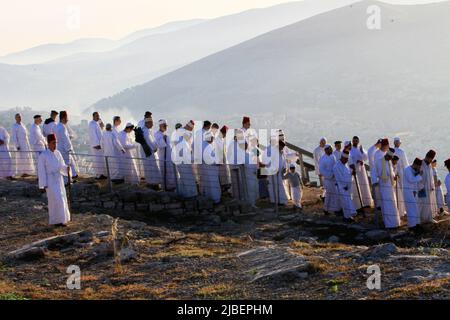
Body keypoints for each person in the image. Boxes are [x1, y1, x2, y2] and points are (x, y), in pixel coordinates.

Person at [37, 134, 71, 227]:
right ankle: (56, 220)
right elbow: (41, 170)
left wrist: (66, 169)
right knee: (56, 200)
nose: (54, 145)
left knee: (62, 198)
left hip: (58, 179)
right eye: (53, 143)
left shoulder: (58, 153)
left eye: (55, 143)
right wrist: (43, 184)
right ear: (48, 143)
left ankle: (62, 220)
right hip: (50, 180)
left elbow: (62, 165)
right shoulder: (43, 155)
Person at [374, 148, 401, 229]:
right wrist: (377, 180)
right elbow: (375, 172)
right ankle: (389, 224)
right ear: (387, 155)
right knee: (386, 205)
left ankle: (395, 222)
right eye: (389, 157)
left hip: (390, 187)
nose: (390, 159)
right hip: (384, 187)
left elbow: (391, 172)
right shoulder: (379, 161)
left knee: (393, 204)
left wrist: (394, 176)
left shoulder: (389, 162)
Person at [172, 120, 197, 197]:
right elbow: (183, 153)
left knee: (183, 179)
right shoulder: (181, 139)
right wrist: (194, 158)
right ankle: (190, 195)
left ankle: (182, 194)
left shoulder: (182, 137)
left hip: (183, 162)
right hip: (183, 162)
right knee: (188, 180)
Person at [349, 136, 373, 210]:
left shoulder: (360, 148)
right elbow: (350, 159)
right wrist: (356, 162)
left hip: (362, 170)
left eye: (357, 140)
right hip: (355, 169)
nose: (355, 142)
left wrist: (362, 152)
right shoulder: (351, 149)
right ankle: (359, 203)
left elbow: (365, 158)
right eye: (354, 140)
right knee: (357, 186)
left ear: (358, 141)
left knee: (364, 185)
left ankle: (366, 202)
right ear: (352, 141)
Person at [333, 151, 356, 222]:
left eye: (347, 159)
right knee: (345, 202)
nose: (346, 161)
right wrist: (344, 186)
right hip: (342, 187)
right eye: (345, 159)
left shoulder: (345, 164)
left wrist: (352, 173)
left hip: (348, 187)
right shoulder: (336, 166)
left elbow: (347, 174)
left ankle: (349, 216)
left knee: (348, 201)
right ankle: (346, 217)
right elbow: (339, 178)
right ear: (342, 157)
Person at [319, 144, 342, 215]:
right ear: (326, 150)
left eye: (331, 149)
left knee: (335, 194)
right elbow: (322, 170)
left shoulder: (333, 156)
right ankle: (330, 209)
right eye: (330, 149)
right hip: (328, 179)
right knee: (330, 194)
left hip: (334, 178)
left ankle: (333, 209)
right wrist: (330, 175)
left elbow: (335, 166)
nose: (332, 150)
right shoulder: (322, 159)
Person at [403, 158, 424, 233]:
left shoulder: (414, 170)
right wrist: (420, 176)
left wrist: (415, 190)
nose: (419, 168)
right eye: (418, 167)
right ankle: (412, 226)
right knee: (411, 209)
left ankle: (417, 223)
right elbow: (411, 180)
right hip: (408, 192)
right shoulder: (407, 170)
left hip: (413, 192)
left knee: (415, 209)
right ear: (415, 164)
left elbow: (415, 182)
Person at [155, 119, 177, 191]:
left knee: (170, 172)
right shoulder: (157, 134)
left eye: (166, 126)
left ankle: (171, 186)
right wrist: (163, 139)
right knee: (165, 173)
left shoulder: (165, 134)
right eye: (164, 126)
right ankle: (166, 188)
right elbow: (160, 145)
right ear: (160, 126)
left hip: (169, 157)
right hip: (163, 157)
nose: (166, 127)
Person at [418, 150, 439, 223]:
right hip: (422, 188)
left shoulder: (429, 164)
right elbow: (418, 176)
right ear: (427, 157)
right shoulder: (421, 164)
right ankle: (420, 219)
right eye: (430, 159)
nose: (431, 161)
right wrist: (420, 187)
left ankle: (429, 218)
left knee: (429, 203)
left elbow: (431, 176)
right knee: (421, 204)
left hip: (429, 187)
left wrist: (433, 185)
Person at [54, 111, 75, 184]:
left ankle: (65, 181)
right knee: (66, 165)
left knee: (61, 165)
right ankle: (67, 182)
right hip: (64, 149)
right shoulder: (63, 127)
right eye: (67, 118)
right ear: (64, 118)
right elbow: (66, 139)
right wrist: (69, 148)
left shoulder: (56, 126)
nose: (67, 120)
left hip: (59, 147)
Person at [200, 131, 221, 203]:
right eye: (212, 137)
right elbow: (208, 159)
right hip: (210, 170)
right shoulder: (206, 146)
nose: (213, 139)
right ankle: (215, 200)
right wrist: (217, 162)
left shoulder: (207, 145)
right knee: (213, 185)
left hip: (210, 170)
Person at [142, 117, 162, 188]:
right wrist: (154, 148)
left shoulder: (146, 130)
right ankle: (153, 183)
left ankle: (152, 182)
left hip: (147, 153)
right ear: (148, 123)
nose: (153, 125)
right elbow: (149, 141)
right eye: (152, 123)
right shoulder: (146, 131)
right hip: (149, 153)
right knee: (152, 168)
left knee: (150, 168)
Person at [88, 112, 107, 180]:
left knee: (101, 160)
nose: (98, 117)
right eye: (96, 116)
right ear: (93, 116)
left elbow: (102, 128)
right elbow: (93, 135)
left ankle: (102, 174)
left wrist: (100, 121)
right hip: (96, 145)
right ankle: (98, 175)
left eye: (98, 116)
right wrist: (96, 144)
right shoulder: (91, 124)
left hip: (100, 145)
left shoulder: (97, 123)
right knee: (97, 160)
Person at [216, 125, 231, 191]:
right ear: (224, 133)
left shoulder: (221, 139)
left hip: (224, 161)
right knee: (222, 178)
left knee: (225, 176)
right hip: (221, 163)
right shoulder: (217, 140)